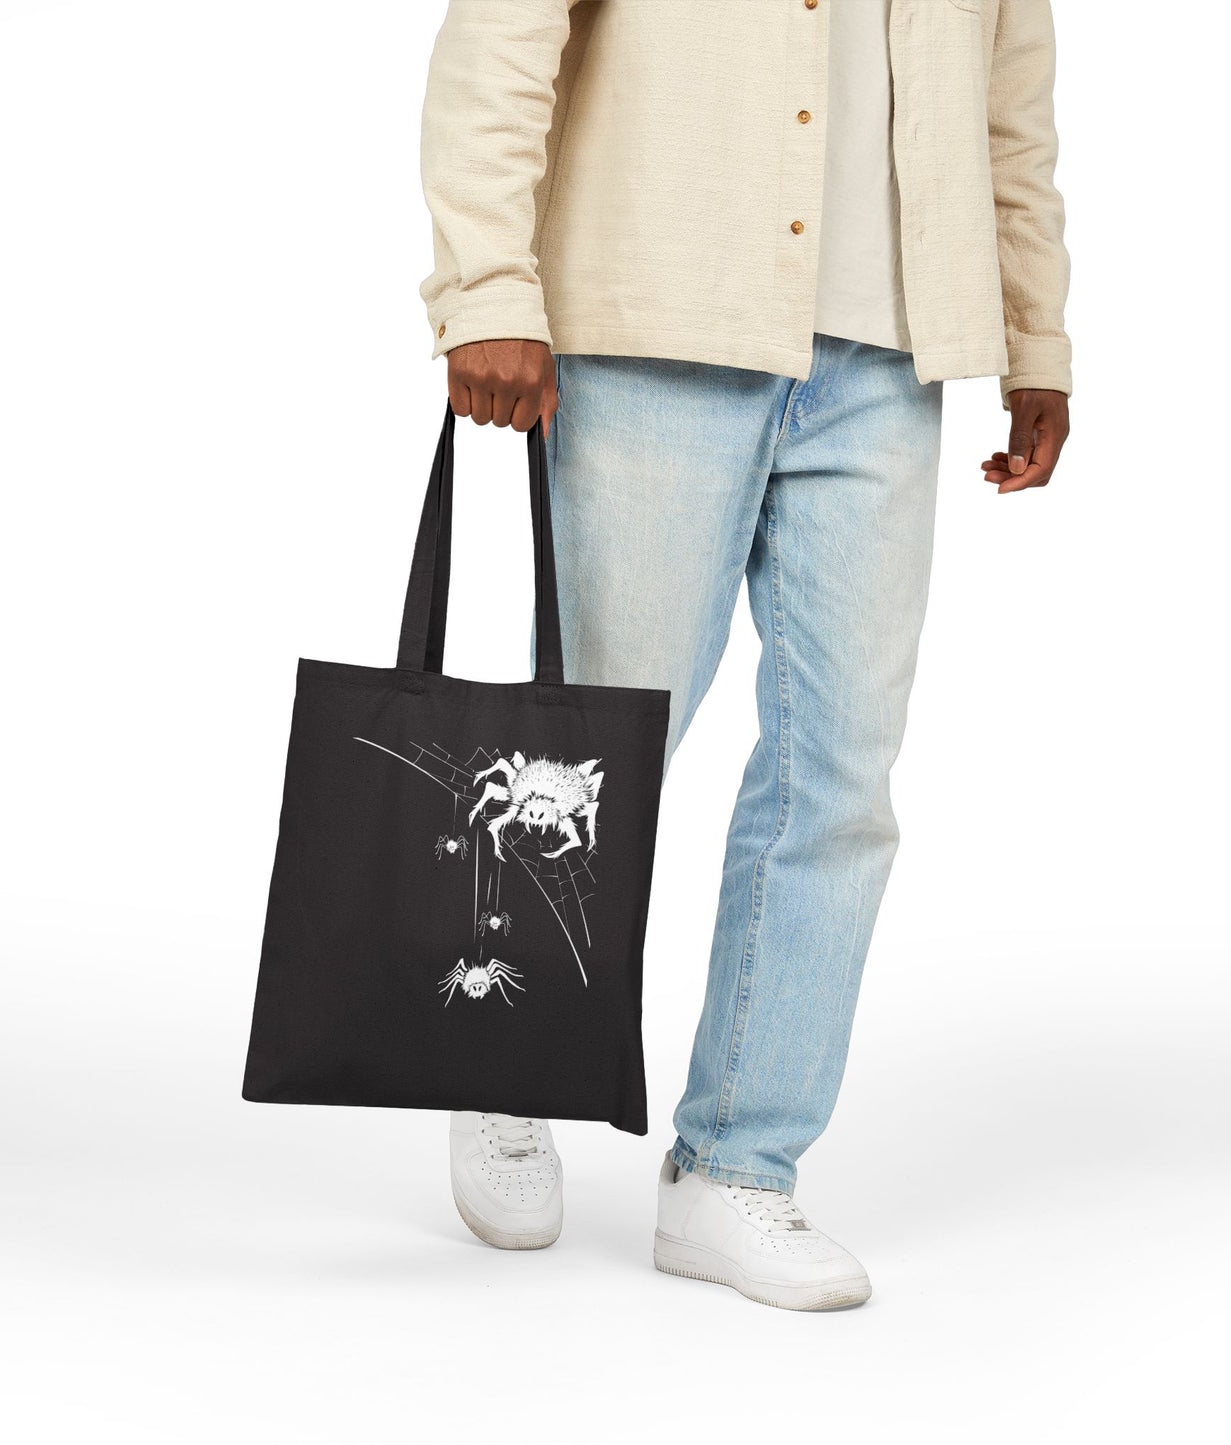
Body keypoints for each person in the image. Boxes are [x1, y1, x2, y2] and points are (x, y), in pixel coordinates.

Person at [425, 0, 1071, 1311]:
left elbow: (1012, 99)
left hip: (889, 355)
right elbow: (501, 36)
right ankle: (507, 1068)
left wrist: (1032, 328)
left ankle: (736, 1162)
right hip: (660, 312)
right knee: (594, 757)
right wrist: (485, 281)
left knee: (840, 772)